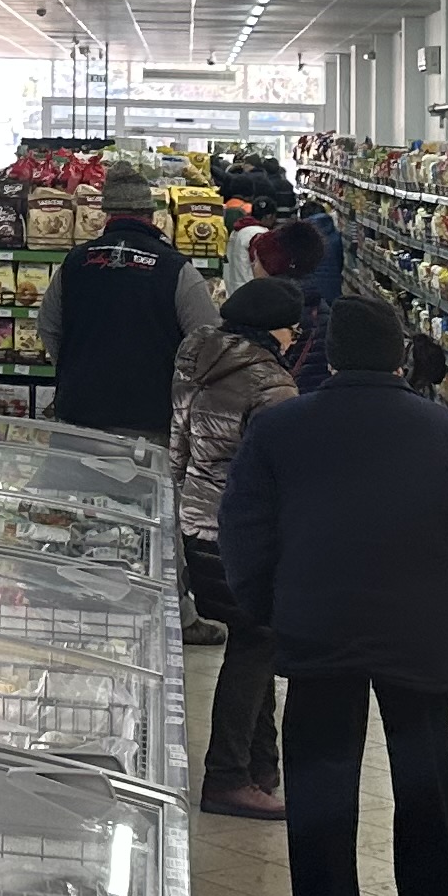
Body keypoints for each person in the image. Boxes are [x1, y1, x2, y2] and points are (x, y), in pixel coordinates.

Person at [219, 293, 448, 896]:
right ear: (399, 357)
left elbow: (242, 533)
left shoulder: (281, 428)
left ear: (331, 356)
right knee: (426, 775)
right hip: (421, 633)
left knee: (321, 780)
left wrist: (270, 608)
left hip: (318, 628)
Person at [179, 277, 306, 821]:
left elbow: (182, 443)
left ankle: (261, 764)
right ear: (273, 330)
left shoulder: (197, 356)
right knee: (256, 643)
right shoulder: (272, 386)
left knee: (256, 637)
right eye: (292, 328)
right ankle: (228, 776)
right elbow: (280, 474)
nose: (296, 337)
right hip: (242, 532)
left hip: (196, 521)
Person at [33, 164, 219, 443]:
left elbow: (47, 325)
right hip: (148, 418)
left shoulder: (74, 262)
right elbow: (208, 343)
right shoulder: (176, 269)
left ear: (107, 215)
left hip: (78, 411)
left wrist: (76, 366)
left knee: (70, 473)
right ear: (151, 215)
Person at [249, 210, 341, 389]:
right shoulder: (316, 304)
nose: (253, 266)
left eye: (257, 261)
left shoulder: (273, 309)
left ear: (272, 265)